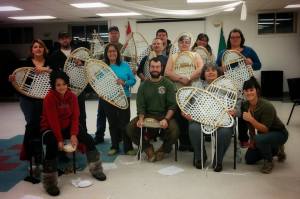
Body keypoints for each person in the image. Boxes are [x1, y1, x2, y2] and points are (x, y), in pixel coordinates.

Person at [41, 71, 106, 196]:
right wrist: (60, 139)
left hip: (67, 126)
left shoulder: (72, 96)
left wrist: (73, 134)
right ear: (54, 86)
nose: (62, 87)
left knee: (88, 139)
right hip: (50, 127)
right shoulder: (49, 98)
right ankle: (49, 182)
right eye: (58, 85)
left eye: (64, 84)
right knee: (51, 145)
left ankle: (96, 169)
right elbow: (53, 120)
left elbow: (75, 117)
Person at [8, 39, 52, 180]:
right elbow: (19, 80)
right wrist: (12, 79)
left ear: (44, 49)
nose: (38, 49)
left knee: (43, 126)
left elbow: (57, 75)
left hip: (45, 99)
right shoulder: (25, 64)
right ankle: (32, 158)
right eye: (35, 47)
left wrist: (45, 69)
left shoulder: (49, 61)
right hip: (28, 100)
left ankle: (42, 156)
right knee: (32, 126)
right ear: (32, 50)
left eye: (40, 47)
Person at [182, 64, 238, 172]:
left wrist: (235, 110)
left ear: (218, 73)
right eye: (207, 71)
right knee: (194, 129)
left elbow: (238, 102)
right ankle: (200, 157)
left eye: (213, 70)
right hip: (200, 118)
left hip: (222, 119)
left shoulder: (227, 85)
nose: (210, 72)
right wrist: (185, 112)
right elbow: (187, 104)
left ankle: (218, 160)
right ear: (203, 74)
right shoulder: (196, 85)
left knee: (224, 132)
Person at [216, 28, 262, 148]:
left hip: (247, 86)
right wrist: (221, 68)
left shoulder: (249, 51)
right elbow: (216, 68)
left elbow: (258, 65)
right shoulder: (223, 52)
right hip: (229, 87)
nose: (235, 39)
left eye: (237, 37)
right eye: (232, 37)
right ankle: (226, 134)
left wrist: (251, 63)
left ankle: (243, 138)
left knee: (245, 113)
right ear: (229, 39)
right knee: (232, 110)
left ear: (241, 38)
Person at [127, 57, 179, 161]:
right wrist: (141, 118)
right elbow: (140, 105)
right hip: (147, 114)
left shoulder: (168, 84)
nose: (155, 69)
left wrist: (166, 119)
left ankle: (163, 149)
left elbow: (172, 105)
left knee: (175, 131)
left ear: (161, 68)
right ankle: (147, 147)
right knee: (130, 128)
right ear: (149, 69)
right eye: (152, 67)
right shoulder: (143, 85)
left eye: (157, 67)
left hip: (163, 115)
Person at [164, 34, 203, 151]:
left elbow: (201, 68)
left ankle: (193, 143)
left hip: (193, 91)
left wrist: (189, 77)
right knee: (180, 118)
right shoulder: (173, 56)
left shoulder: (196, 55)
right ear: (179, 44)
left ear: (190, 43)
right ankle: (183, 143)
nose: (184, 44)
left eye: (187, 42)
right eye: (182, 42)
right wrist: (181, 79)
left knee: (192, 117)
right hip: (178, 92)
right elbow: (167, 72)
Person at [241, 77, 288, 174]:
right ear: (243, 92)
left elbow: (265, 129)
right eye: (246, 90)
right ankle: (275, 149)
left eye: (251, 90)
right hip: (263, 135)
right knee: (249, 159)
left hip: (279, 133)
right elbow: (250, 126)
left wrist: (251, 119)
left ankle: (269, 161)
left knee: (260, 139)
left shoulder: (267, 106)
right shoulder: (245, 105)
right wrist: (252, 140)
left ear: (257, 90)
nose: (249, 93)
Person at [99, 43, 136, 156]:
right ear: (106, 54)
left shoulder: (125, 65)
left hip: (124, 97)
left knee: (125, 123)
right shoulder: (103, 67)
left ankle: (128, 147)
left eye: (114, 51)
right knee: (112, 123)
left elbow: (133, 80)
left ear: (117, 53)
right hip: (108, 99)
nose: (112, 53)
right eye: (109, 51)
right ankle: (114, 146)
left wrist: (124, 82)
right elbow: (98, 82)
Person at [48, 32, 88, 135]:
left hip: (78, 87)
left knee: (81, 114)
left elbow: (88, 64)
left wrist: (82, 63)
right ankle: (69, 135)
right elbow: (53, 72)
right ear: (59, 40)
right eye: (62, 39)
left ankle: (84, 136)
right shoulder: (55, 54)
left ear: (70, 39)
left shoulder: (77, 52)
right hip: (63, 90)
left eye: (66, 38)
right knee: (66, 114)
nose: (65, 40)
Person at [94, 26, 123, 144]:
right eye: (111, 33)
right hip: (104, 86)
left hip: (118, 87)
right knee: (101, 112)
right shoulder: (103, 48)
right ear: (109, 35)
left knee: (118, 114)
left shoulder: (123, 47)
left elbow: (129, 64)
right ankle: (99, 135)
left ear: (119, 34)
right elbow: (96, 64)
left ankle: (119, 136)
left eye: (116, 33)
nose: (114, 35)